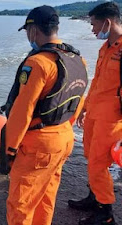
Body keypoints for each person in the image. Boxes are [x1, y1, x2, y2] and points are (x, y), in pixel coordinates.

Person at [4, 6, 88, 225]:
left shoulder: (38, 63)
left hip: (38, 145)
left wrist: (8, 149)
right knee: (45, 198)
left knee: (20, 205)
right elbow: (75, 101)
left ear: (33, 31)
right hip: (63, 137)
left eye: (27, 32)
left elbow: (23, 110)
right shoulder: (78, 59)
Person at [67, 2, 122, 225]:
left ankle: (105, 212)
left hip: (111, 118)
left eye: (94, 24)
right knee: (91, 158)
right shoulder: (106, 48)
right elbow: (98, 82)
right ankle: (94, 197)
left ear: (107, 22)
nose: (92, 29)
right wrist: (85, 108)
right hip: (95, 114)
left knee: (99, 163)